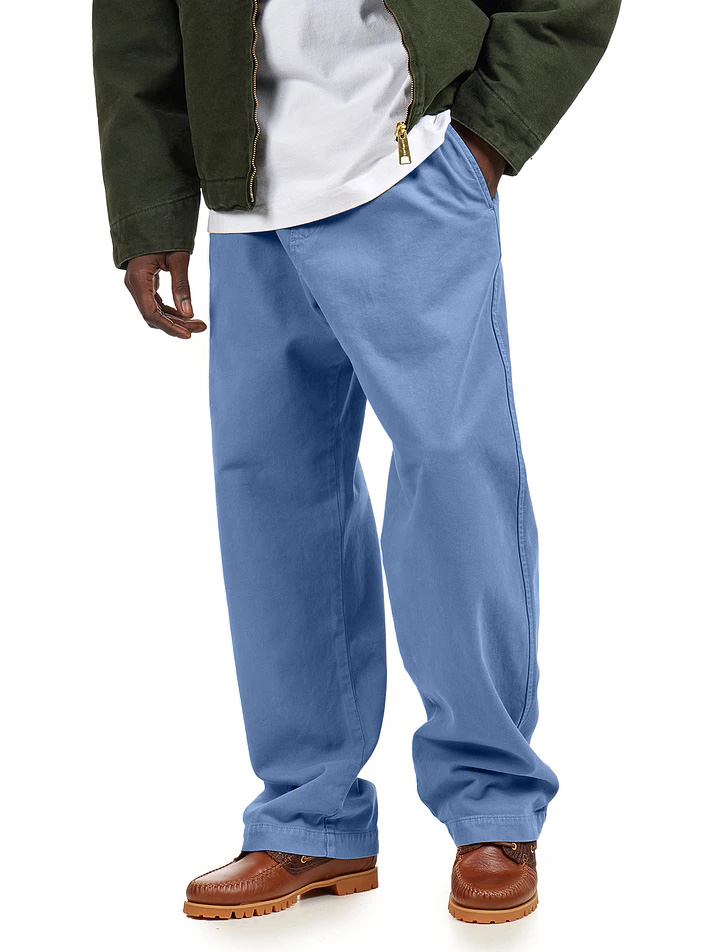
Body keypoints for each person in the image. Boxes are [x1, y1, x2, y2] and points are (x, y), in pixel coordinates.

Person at [93, 0, 619, 925]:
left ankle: (493, 811)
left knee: (454, 482)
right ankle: (311, 819)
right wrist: (149, 206)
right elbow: (137, 19)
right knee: (272, 503)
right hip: (248, 197)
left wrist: (488, 136)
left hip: (406, 164)